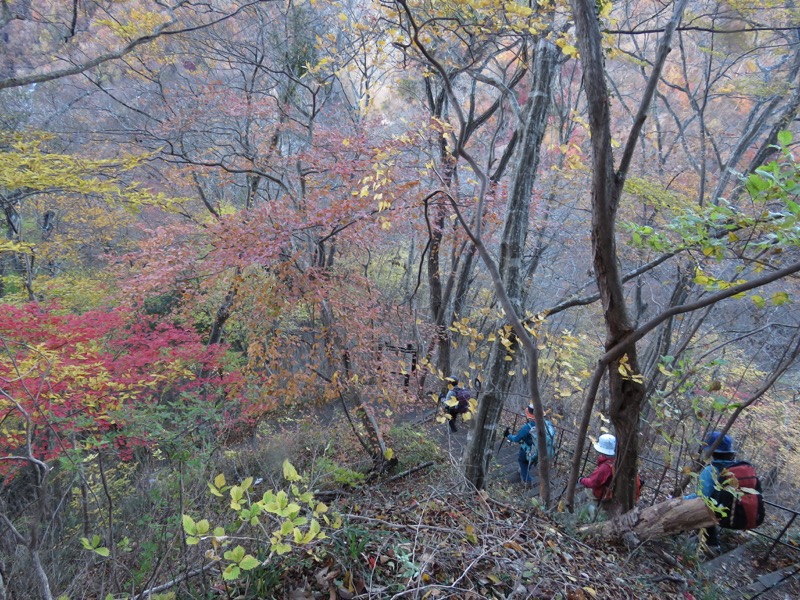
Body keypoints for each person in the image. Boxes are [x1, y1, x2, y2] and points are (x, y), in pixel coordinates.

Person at [686, 431, 738, 556]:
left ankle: (712, 545)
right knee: (711, 506)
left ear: (712, 451)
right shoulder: (735, 468)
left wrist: (682, 499)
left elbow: (701, 496)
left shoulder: (711, 470)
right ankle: (707, 541)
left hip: (718, 512)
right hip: (735, 512)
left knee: (704, 508)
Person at [506, 405, 555, 485]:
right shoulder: (547, 424)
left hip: (528, 451)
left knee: (523, 461)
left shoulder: (527, 427)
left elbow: (516, 439)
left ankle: (527, 480)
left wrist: (508, 435)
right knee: (532, 460)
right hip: (542, 451)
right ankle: (524, 469)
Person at [578, 434, 617, 513]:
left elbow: (593, 482)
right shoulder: (615, 461)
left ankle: (593, 509)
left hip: (602, 493)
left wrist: (581, 480)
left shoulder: (605, 467)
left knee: (587, 490)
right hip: (612, 491)